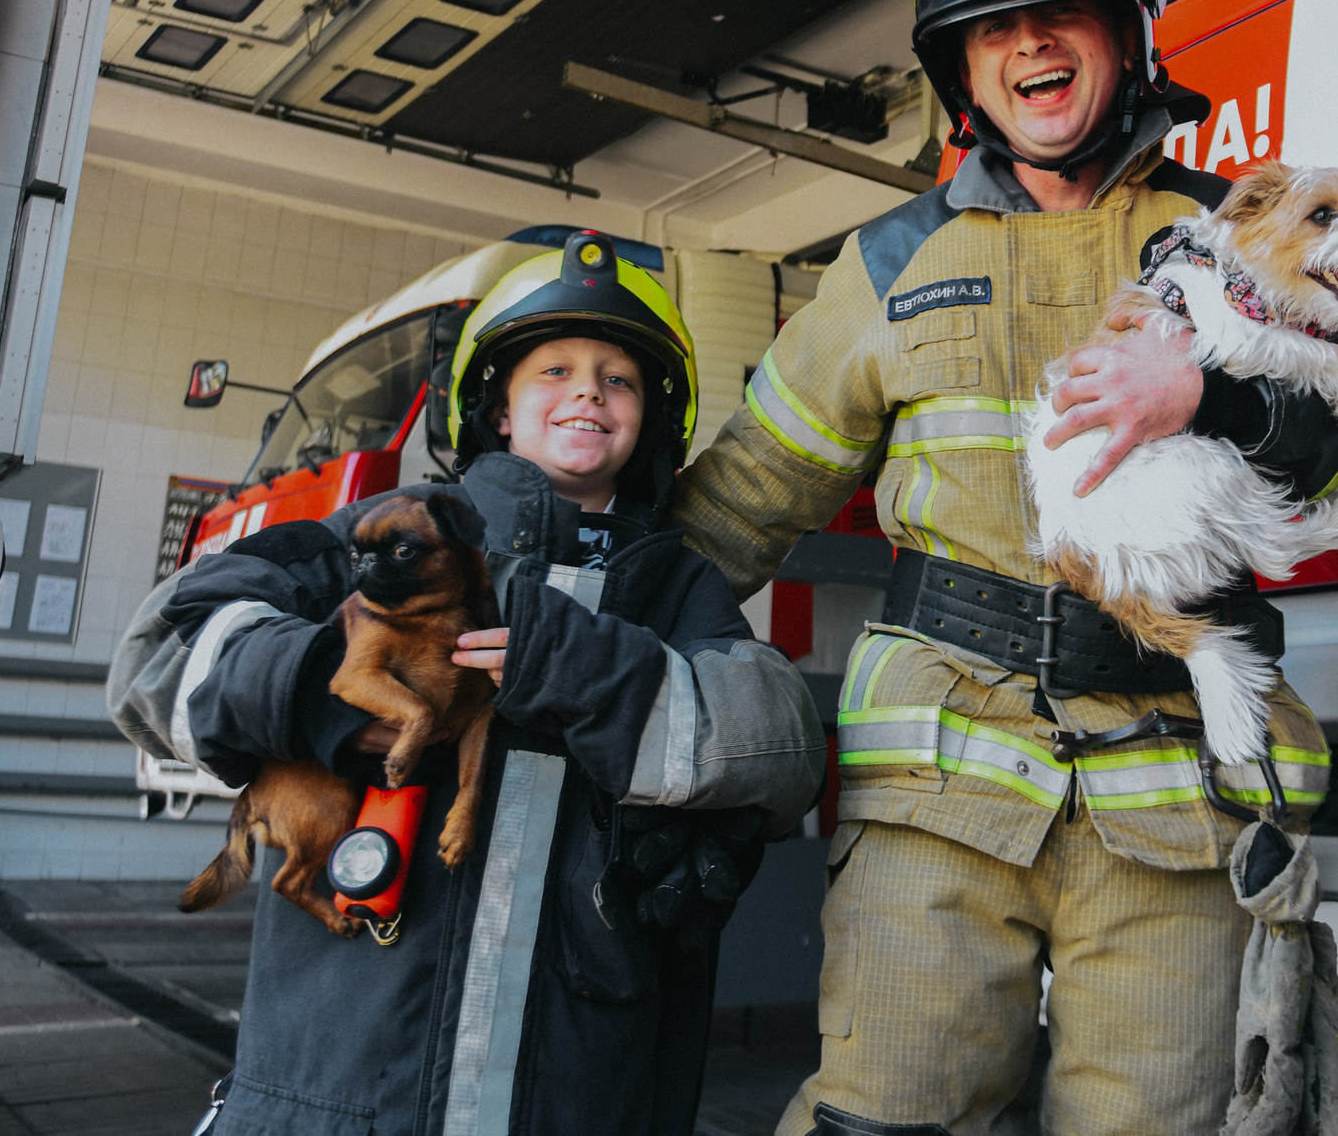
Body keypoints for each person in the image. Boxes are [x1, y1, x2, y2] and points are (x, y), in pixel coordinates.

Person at [672, 0, 1338, 1136]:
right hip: (934, 790)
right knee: (885, 1121)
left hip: (1174, 794)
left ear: (1124, 36)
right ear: (961, 76)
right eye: (990, 28)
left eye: (1059, 13)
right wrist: (555, 622)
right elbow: (744, 499)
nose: (1026, 42)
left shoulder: (1237, 229)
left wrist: (1221, 400)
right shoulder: (886, 263)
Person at [110, 234, 825, 1136]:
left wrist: (587, 667)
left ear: (653, 414)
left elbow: (784, 745)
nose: (587, 393)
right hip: (336, 1098)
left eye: (618, 379)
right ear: (494, 409)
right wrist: (314, 690)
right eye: (553, 370)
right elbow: (152, 654)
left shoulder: (673, 589)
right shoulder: (376, 535)